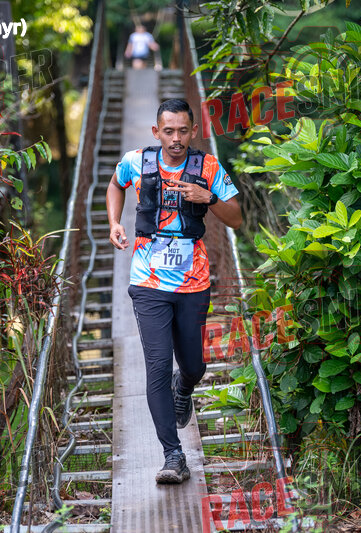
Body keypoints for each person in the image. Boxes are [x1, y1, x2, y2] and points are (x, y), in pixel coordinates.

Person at [105, 99, 242, 484]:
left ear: (193, 130)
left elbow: (237, 217)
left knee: (194, 366)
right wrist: (114, 222)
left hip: (193, 282)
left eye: (183, 130)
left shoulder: (208, 168)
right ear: (157, 132)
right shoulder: (136, 161)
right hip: (147, 282)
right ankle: (173, 455)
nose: (176, 138)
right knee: (158, 366)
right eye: (168, 131)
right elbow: (115, 185)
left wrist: (208, 198)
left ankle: (185, 388)